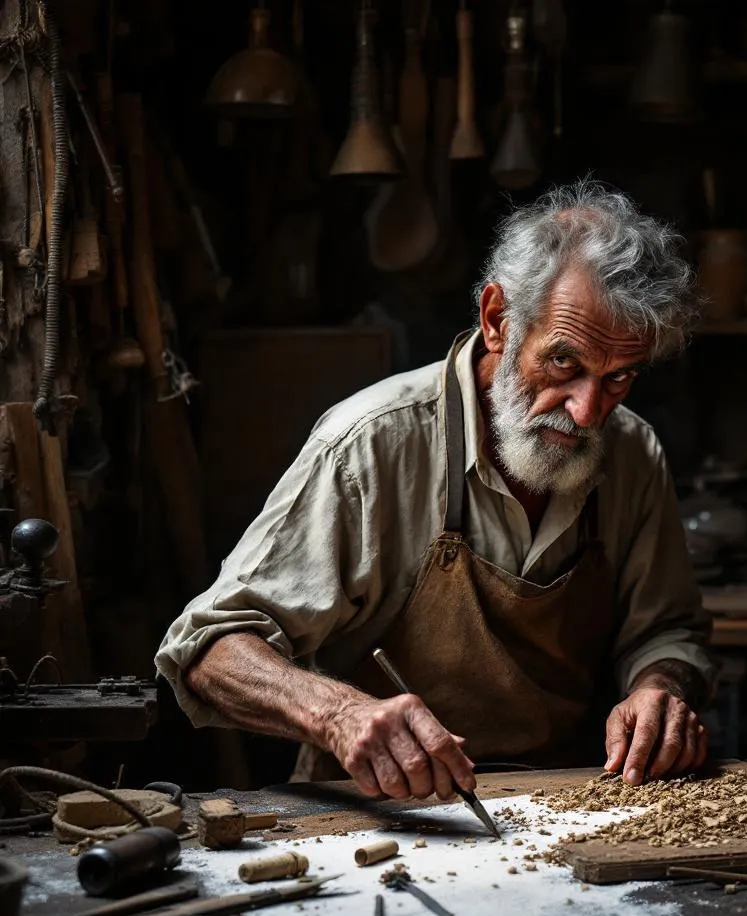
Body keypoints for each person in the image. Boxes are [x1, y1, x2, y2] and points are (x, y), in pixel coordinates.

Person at [156, 180, 716, 800]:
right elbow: (209, 650)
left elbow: (667, 631)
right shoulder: (370, 444)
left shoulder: (632, 451)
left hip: (577, 796)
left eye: (617, 379)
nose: (587, 412)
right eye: (564, 363)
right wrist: (339, 715)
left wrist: (660, 687)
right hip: (387, 810)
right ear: (498, 319)